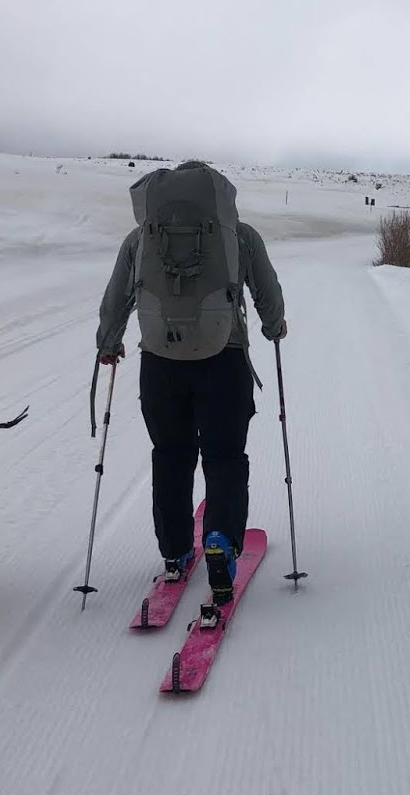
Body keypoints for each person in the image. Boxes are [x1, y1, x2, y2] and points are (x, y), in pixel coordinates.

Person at [95, 160, 286, 606]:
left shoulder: (142, 236)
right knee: (224, 457)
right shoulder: (238, 234)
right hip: (226, 359)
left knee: (171, 455)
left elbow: (117, 293)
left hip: (160, 363)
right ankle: (220, 541)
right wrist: (274, 327)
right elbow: (268, 291)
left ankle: (176, 553)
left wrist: (108, 342)